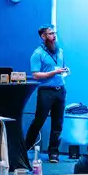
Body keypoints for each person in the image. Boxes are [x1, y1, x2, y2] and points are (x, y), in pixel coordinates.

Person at [25, 24, 68, 163]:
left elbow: (60, 68)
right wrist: (53, 72)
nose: (54, 36)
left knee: (58, 123)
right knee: (39, 122)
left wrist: (64, 70)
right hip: (46, 92)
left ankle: (53, 153)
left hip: (60, 90)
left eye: (54, 33)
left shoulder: (60, 51)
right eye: (50, 34)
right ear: (43, 37)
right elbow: (36, 75)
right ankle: (25, 148)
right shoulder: (37, 54)